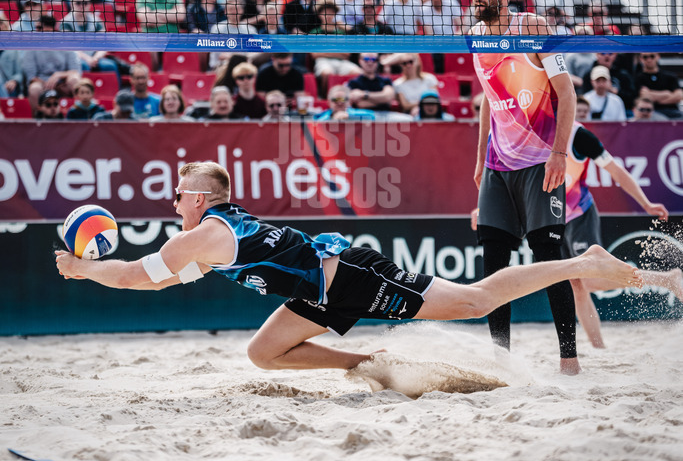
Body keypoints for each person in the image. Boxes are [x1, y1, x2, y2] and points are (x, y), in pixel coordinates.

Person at [55, 161, 643, 381]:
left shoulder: (203, 234)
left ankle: (578, 261)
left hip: (350, 276)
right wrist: (99, 268)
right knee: (263, 353)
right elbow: (163, 277)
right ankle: (373, 365)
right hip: (315, 294)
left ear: (202, 199)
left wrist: (84, 270)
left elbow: (137, 276)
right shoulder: (207, 239)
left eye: (179, 195)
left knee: (474, 301)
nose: (172, 204)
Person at [470, 0, 581, 375]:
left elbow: (566, 94)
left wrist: (559, 153)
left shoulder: (531, 27)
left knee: (548, 256)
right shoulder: (476, 36)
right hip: (498, 165)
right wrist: (480, 158)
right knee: (494, 264)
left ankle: (568, 360)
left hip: (540, 161)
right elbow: (486, 97)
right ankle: (502, 361)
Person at [561, 112, 681, 348]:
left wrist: (645, 202)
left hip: (579, 214)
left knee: (590, 281)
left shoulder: (578, 135)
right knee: (575, 285)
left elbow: (616, 171)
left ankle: (667, 279)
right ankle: (599, 349)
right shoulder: (529, 130)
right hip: (554, 218)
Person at [634, 52, 683, 119]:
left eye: (652, 56)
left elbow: (679, 96)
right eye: (645, 57)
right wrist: (666, 94)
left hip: (673, 112)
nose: (649, 59)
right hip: (651, 112)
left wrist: (652, 95)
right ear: (641, 59)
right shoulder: (637, 78)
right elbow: (643, 96)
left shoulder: (670, 76)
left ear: (658, 56)